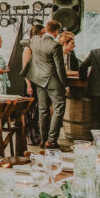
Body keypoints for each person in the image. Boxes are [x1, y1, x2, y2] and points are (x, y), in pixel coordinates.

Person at [23, 20, 67, 149]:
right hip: (53, 81)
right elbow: (60, 69)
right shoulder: (55, 45)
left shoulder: (35, 40)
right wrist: (66, 85)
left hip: (39, 80)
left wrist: (34, 39)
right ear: (56, 31)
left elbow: (22, 42)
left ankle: (43, 140)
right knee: (59, 108)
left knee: (43, 110)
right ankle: (51, 140)